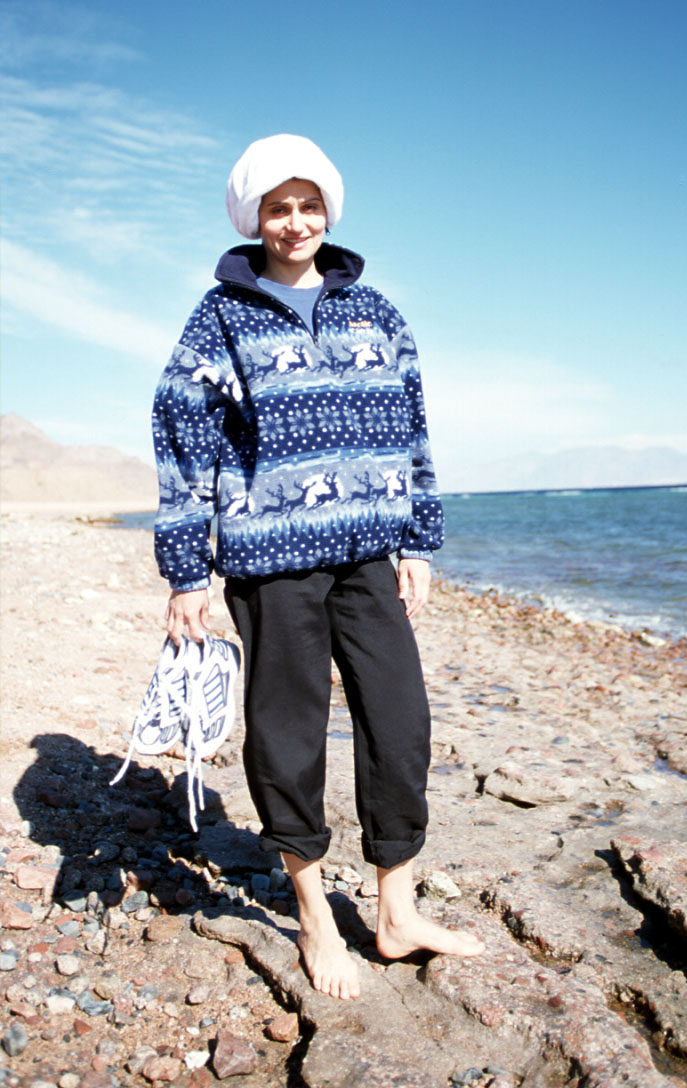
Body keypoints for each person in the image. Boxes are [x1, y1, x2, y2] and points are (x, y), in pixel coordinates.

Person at [152, 134, 484, 999]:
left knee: (400, 722)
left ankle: (395, 912)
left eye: (307, 205)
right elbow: (181, 437)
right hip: (271, 560)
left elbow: (411, 428)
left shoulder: (375, 312)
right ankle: (311, 916)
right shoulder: (221, 317)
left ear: (326, 211)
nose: (294, 222)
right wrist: (186, 572)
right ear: (253, 218)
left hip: (368, 553)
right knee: (288, 733)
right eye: (276, 207)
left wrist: (417, 541)